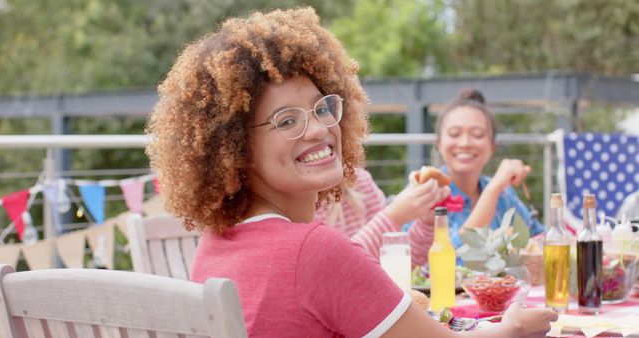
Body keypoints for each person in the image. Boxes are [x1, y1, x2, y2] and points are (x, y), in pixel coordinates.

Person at [146, 7, 557, 337]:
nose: (322, 128)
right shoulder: (313, 250)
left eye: (323, 107)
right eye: (287, 121)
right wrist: (512, 331)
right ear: (234, 147)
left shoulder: (215, 245)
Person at [435, 89, 546, 249]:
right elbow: (451, 257)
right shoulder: (427, 194)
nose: (465, 143)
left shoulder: (505, 195)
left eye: (478, 134)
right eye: (454, 134)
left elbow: (539, 237)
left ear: (492, 147)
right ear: (439, 143)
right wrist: (493, 190)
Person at [315, 167, 448, 267]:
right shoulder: (298, 209)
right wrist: (394, 216)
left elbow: (400, 266)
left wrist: (427, 222)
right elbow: (333, 271)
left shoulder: (359, 179)